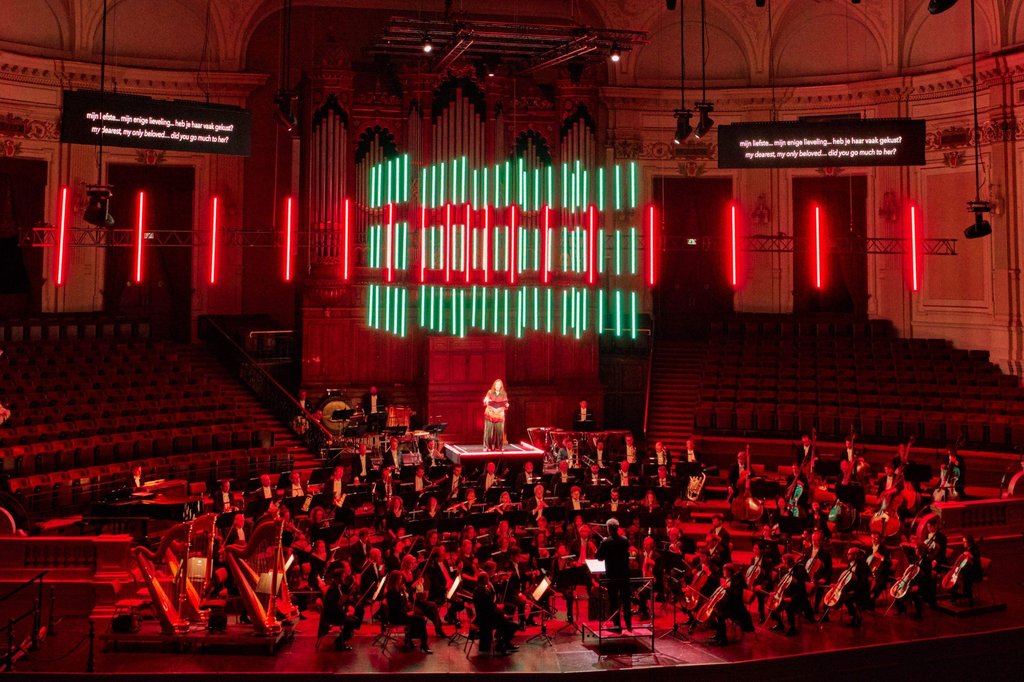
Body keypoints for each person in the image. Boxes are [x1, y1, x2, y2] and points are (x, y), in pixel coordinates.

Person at [596, 517, 632, 633]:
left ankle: (617, 626)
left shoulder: (606, 542)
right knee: (626, 600)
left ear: (608, 529)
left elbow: (599, 557)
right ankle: (629, 624)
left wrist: (603, 542)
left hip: (612, 576)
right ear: (617, 528)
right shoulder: (625, 540)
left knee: (614, 600)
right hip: (624, 575)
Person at [385, 570, 431, 653]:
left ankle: (409, 639)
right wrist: (407, 613)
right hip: (396, 617)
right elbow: (397, 608)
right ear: (395, 580)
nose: (401, 581)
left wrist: (403, 592)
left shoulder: (398, 591)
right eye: (399, 579)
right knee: (420, 620)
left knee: (418, 615)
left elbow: (404, 603)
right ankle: (424, 644)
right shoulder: (392, 593)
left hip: (400, 614)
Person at [473, 571, 518, 655]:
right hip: (488, 620)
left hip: (482, 618)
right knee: (513, 625)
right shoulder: (484, 592)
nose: (489, 579)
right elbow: (491, 608)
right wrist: (503, 614)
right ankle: (501, 645)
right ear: (485, 579)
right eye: (487, 578)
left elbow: (489, 606)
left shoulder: (477, 590)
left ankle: (504, 644)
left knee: (505, 622)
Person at [482, 379, 509, 450]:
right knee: (488, 432)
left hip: (499, 414)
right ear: (494, 385)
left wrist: (506, 405)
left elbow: (505, 403)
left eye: (499, 385)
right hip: (490, 414)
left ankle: (498, 447)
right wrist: (486, 400)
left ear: (501, 386)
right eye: (496, 384)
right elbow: (486, 400)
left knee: (499, 432)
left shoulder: (504, 393)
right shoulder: (490, 392)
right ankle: (488, 447)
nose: (498, 386)